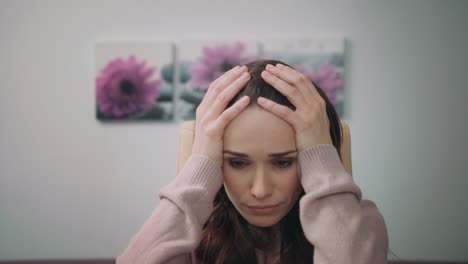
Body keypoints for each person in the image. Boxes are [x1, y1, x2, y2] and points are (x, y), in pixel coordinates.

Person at [116, 59, 389, 264]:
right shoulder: (187, 235)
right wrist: (198, 163)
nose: (260, 191)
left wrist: (320, 152)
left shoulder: (361, 225)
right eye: (237, 163)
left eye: (283, 163)